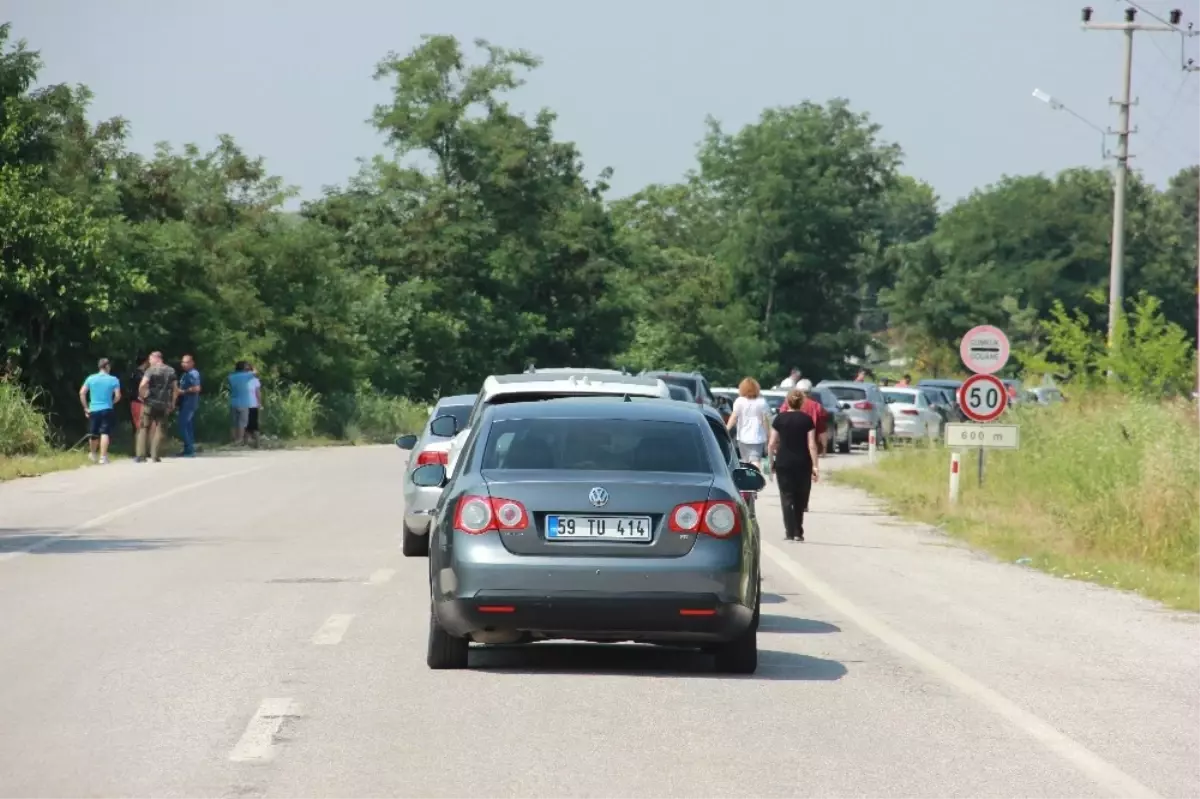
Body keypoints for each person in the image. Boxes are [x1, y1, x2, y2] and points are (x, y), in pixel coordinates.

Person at [768, 388, 820, 542]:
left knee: (786, 496)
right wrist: (816, 466)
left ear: (787, 402)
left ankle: (789, 531)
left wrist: (771, 462)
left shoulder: (779, 419)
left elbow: (771, 444)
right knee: (800, 496)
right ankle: (798, 531)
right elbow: (812, 444)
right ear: (802, 402)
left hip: (784, 461)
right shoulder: (807, 420)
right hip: (803, 462)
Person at [137, 351, 178, 463]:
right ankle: (155, 455)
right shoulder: (171, 370)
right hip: (164, 403)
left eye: (150, 359)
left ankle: (141, 455)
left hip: (150, 402)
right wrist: (173, 402)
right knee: (160, 429)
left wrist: (141, 395)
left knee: (144, 427)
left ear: (156, 358)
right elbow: (175, 389)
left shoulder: (151, 370)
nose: (149, 362)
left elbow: (142, 384)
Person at [79, 358, 122, 464]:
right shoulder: (113, 379)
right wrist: (112, 402)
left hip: (93, 409)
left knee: (93, 433)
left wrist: (86, 407)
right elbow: (118, 396)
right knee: (105, 432)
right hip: (107, 408)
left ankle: (93, 454)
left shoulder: (91, 378)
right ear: (107, 366)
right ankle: (103, 457)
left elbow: (82, 393)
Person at [726, 377, 771, 466]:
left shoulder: (739, 401)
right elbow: (765, 421)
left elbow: (734, 417)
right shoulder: (761, 402)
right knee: (755, 459)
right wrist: (769, 435)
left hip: (742, 436)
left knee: (746, 461)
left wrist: (726, 429)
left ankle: (748, 477)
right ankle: (757, 476)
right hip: (758, 436)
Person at [796, 379, 830, 455]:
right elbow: (822, 429)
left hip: (790, 445)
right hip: (810, 446)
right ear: (810, 392)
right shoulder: (817, 406)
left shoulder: (788, 404)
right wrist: (824, 448)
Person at [176, 353, 201, 457]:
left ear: (192, 363)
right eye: (182, 362)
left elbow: (197, 388)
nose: (184, 364)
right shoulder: (185, 374)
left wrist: (184, 391)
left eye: (186, 362)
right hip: (184, 402)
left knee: (182, 425)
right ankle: (187, 449)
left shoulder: (193, 374)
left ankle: (190, 449)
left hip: (189, 403)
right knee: (188, 426)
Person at [227, 361, 256, 444]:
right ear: (244, 368)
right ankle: (239, 440)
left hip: (233, 402)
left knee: (234, 422)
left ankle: (233, 440)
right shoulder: (246, 376)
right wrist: (252, 366)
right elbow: (255, 372)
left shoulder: (231, 377)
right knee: (242, 423)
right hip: (244, 402)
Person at [127, 355, 148, 447]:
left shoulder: (134, 373)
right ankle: (140, 449)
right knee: (140, 425)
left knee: (138, 426)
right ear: (145, 362)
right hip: (139, 401)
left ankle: (140, 448)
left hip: (134, 401)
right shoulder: (141, 375)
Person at [245, 363, 262, 447]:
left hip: (249, 405)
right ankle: (253, 443)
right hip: (249, 405)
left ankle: (253, 443)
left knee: (250, 424)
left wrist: (259, 403)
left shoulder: (252, 380)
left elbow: (258, 393)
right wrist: (259, 403)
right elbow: (258, 393)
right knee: (250, 424)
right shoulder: (253, 380)